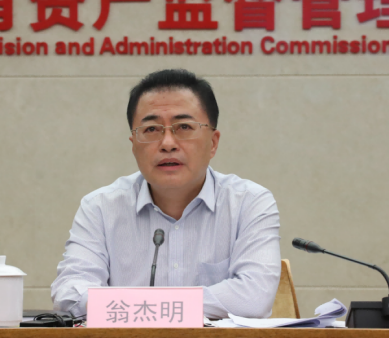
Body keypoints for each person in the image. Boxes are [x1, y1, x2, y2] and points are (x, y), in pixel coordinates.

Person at [51, 69, 281, 319]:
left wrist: (145, 307)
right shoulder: (100, 207)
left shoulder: (249, 203)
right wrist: (168, 306)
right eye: (151, 129)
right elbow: (70, 293)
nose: (168, 143)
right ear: (134, 145)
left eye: (184, 127)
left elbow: (254, 296)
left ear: (213, 143)